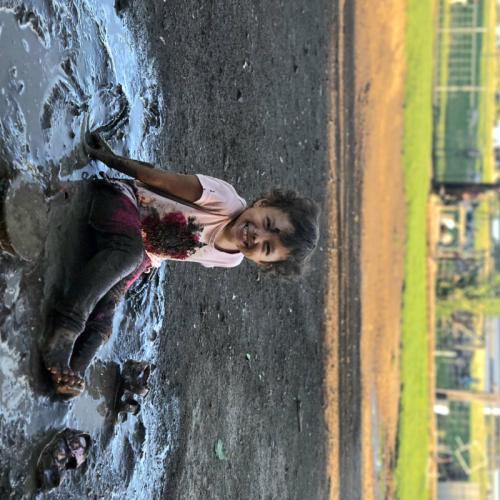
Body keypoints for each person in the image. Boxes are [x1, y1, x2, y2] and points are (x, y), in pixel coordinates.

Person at [42, 128, 320, 398]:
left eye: (267, 248)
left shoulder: (231, 259)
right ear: (263, 203)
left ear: (262, 263)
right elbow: (157, 179)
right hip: (123, 200)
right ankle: (65, 327)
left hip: (140, 251)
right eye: (268, 223)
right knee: (129, 255)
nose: (258, 236)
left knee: (106, 315)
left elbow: (171, 248)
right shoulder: (225, 201)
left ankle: (71, 373)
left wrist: (141, 266)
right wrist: (109, 158)